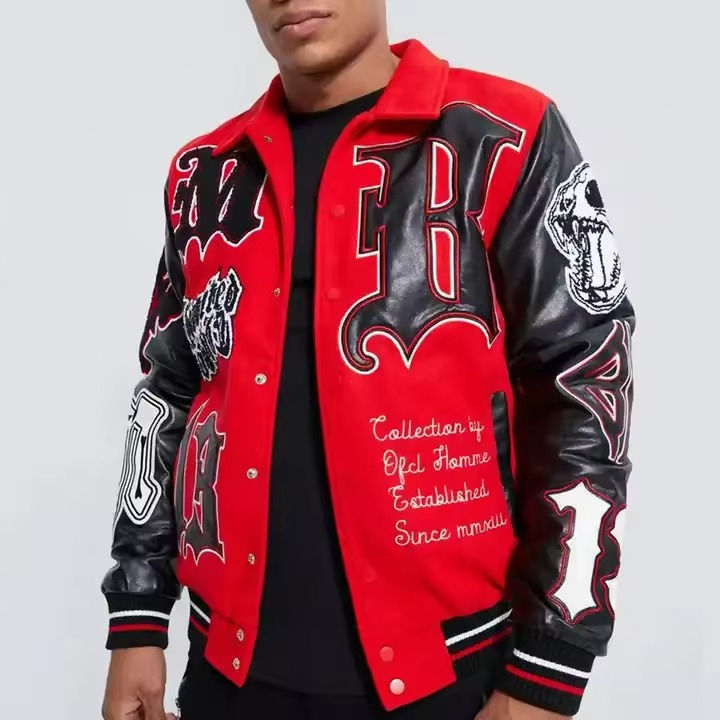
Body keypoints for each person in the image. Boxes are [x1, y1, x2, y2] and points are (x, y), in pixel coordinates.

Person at [100, 1, 636, 719]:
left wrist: (551, 664)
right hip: (227, 672)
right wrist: (137, 617)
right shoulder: (206, 174)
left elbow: (585, 380)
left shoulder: (506, 134)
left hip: (451, 676)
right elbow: (167, 391)